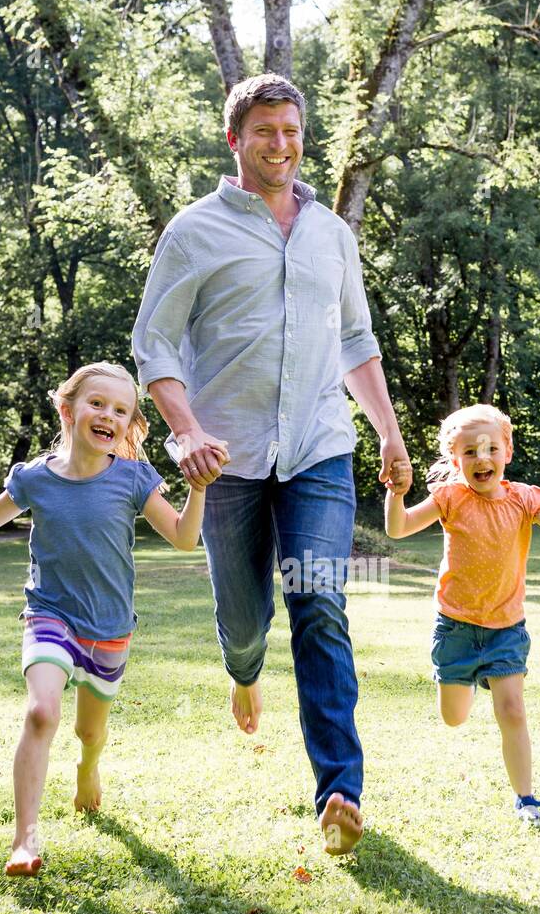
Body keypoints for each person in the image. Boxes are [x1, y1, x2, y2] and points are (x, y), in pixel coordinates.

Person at [132, 73, 412, 855]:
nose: (280, 144)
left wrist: (388, 432)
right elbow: (154, 345)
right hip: (226, 461)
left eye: (291, 129)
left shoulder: (332, 235)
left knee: (319, 601)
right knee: (247, 621)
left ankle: (340, 791)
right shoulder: (194, 231)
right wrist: (183, 429)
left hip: (320, 447)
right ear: (236, 140)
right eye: (264, 131)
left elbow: (357, 342)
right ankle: (244, 668)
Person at [0, 362, 208, 875]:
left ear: (129, 425)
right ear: (67, 409)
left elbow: (183, 537)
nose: (107, 414)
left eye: (120, 409)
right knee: (42, 712)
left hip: (109, 627)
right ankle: (25, 840)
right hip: (50, 614)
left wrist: (198, 487)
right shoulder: (35, 479)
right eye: (97, 403)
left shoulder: (133, 479)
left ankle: (88, 769)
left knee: (90, 734)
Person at [384, 404, 540, 824]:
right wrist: (396, 493)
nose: (482, 458)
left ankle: (526, 798)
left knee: (512, 710)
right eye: (470, 452)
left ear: (506, 452)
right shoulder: (449, 498)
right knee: (453, 718)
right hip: (455, 626)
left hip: (505, 627)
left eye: (491, 448)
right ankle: (470, 678)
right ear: (455, 459)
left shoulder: (525, 499)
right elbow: (398, 529)